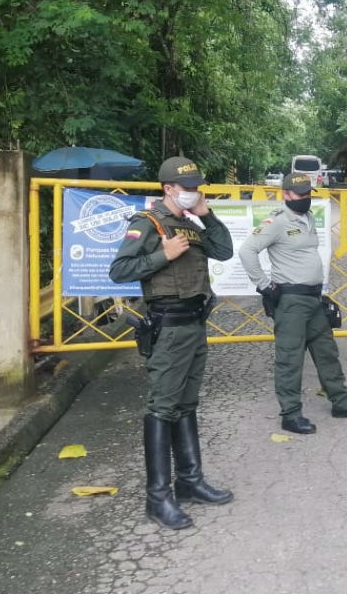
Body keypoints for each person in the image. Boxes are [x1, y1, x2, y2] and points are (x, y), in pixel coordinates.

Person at [109, 156, 235, 530]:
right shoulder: (146, 224)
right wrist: (163, 255)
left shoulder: (190, 224)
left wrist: (206, 214)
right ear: (168, 189)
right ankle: (157, 498)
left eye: (197, 186)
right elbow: (119, 271)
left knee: (186, 402)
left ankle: (190, 482)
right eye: (187, 187)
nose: (193, 192)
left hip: (195, 324)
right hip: (169, 326)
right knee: (162, 407)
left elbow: (225, 251)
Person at [238, 172, 347, 434]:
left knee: (327, 352)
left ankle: (341, 402)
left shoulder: (308, 218)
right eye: (300, 194)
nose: (306, 198)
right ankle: (290, 414)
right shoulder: (276, 222)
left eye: (309, 193)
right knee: (290, 359)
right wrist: (265, 286)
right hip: (290, 301)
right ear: (286, 195)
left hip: (313, 298)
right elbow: (247, 251)